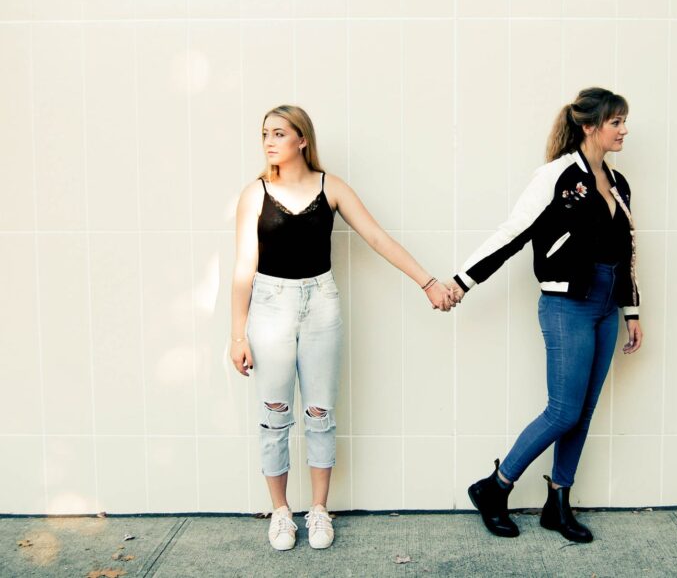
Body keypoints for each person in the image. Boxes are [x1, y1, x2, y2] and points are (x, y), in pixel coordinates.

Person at [229, 105, 454, 551]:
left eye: (279, 133)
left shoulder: (330, 187)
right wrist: (238, 335)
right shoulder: (254, 193)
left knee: (320, 414)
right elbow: (243, 268)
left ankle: (318, 511)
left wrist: (427, 281)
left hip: (321, 305)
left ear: (302, 140)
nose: (269, 141)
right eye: (264, 134)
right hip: (270, 307)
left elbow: (377, 237)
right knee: (274, 416)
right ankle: (280, 513)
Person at [447, 87, 644, 542]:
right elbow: (512, 234)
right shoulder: (555, 176)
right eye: (616, 122)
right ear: (589, 126)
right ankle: (495, 488)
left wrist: (631, 309)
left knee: (584, 411)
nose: (624, 130)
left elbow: (628, 249)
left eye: (624, 121)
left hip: (607, 305)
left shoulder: (619, 183)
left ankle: (558, 503)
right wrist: (461, 282)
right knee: (562, 411)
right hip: (566, 304)